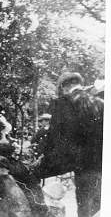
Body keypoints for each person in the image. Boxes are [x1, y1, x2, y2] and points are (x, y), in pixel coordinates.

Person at [32, 72, 103, 217]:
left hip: (80, 164)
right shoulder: (100, 103)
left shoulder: (63, 103)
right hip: (100, 164)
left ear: (64, 87)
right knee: (98, 206)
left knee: (84, 206)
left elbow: (55, 137)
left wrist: (44, 159)